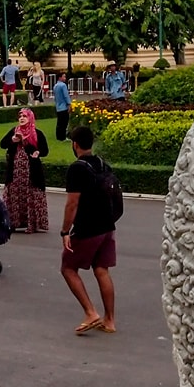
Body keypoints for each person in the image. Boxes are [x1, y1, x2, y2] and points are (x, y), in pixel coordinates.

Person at [61, 126, 116, 334]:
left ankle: (90, 312)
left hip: (88, 227)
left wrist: (65, 231)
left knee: (67, 267)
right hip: (107, 226)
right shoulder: (103, 164)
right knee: (101, 270)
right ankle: (109, 320)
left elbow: (72, 204)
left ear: (75, 145)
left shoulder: (77, 168)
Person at [0, 107, 50, 232]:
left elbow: (44, 151)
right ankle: (13, 223)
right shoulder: (14, 131)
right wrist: (12, 140)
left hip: (31, 171)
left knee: (30, 193)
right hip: (15, 170)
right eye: (20, 116)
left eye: (25, 116)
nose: (22, 118)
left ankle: (31, 224)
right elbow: (2, 144)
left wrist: (33, 148)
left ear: (30, 118)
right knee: (14, 194)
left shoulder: (37, 133)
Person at [53, 71, 72, 141]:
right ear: (60, 77)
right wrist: (69, 104)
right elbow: (66, 96)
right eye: (64, 76)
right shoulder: (63, 85)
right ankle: (63, 137)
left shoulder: (55, 86)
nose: (65, 78)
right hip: (64, 107)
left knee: (59, 123)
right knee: (64, 123)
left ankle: (59, 136)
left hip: (58, 107)